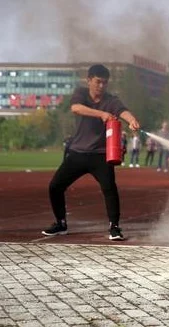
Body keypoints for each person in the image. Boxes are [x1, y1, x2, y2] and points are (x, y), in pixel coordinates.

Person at [43, 64, 140, 240]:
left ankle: (114, 227)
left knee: (109, 189)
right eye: (98, 82)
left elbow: (122, 111)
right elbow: (76, 108)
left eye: (104, 83)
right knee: (55, 186)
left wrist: (132, 120)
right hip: (77, 153)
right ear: (89, 80)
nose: (101, 86)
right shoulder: (80, 94)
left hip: (101, 155)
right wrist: (101, 114)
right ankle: (61, 223)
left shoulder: (111, 100)